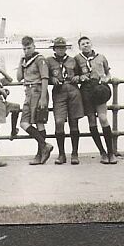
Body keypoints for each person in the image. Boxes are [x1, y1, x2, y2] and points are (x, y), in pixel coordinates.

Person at [75, 36, 117, 164]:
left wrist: (107, 78)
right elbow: (75, 75)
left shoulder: (101, 57)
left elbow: (108, 73)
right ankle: (102, 152)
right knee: (92, 122)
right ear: (79, 46)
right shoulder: (77, 59)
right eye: (83, 44)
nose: (86, 45)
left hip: (99, 90)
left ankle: (111, 152)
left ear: (91, 44)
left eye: (87, 43)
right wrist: (81, 77)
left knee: (103, 118)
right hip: (86, 91)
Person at [17, 36, 53, 165]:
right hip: (28, 92)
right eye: (24, 48)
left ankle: (39, 155)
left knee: (39, 122)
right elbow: (19, 77)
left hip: (38, 91)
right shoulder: (25, 61)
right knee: (24, 123)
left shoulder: (40, 59)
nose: (27, 51)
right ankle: (45, 145)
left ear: (34, 46)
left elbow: (44, 78)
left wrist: (43, 98)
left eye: (29, 48)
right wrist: (20, 62)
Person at [47, 37, 84, 165]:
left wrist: (78, 77)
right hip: (59, 93)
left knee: (74, 123)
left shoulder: (72, 60)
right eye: (58, 48)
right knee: (59, 122)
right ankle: (61, 154)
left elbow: (81, 74)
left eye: (63, 47)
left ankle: (74, 153)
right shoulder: (49, 61)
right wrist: (52, 79)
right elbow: (45, 76)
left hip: (73, 92)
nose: (61, 50)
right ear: (54, 49)